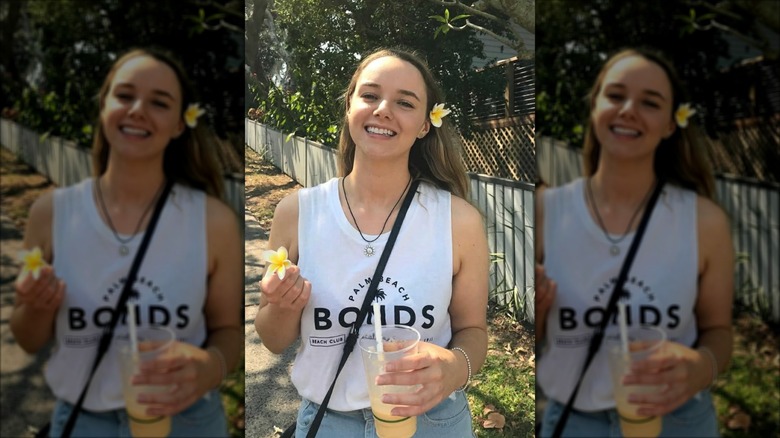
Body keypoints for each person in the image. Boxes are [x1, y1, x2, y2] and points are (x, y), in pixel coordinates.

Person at [254, 48, 489, 437]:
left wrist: (454, 368)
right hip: (329, 421)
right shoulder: (297, 212)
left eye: (405, 102)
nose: (383, 109)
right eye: (370, 95)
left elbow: (473, 333)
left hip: (432, 422)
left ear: (425, 124)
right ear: (350, 107)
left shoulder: (459, 221)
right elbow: (274, 340)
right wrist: (281, 306)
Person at [10, 48, 243, 437]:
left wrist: (210, 368)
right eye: (125, 95)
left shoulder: (213, 221)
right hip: (83, 420)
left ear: (179, 124)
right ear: (104, 107)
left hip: (187, 422)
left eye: (159, 102)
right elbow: (27, 338)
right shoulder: (50, 213)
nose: (137, 109)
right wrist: (35, 308)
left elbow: (229, 332)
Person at [535, 48, 734, 437]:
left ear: (670, 124)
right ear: (595, 107)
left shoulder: (705, 221)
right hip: (574, 421)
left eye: (650, 102)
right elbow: (536, 337)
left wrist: (701, 368)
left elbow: (719, 332)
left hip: (679, 422)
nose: (628, 109)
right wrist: (538, 315)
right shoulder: (546, 210)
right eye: (616, 95)